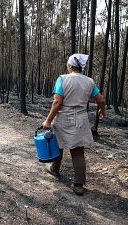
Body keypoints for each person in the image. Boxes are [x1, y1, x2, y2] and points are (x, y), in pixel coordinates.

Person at [42, 53, 106, 195]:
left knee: (58, 146)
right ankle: (78, 185)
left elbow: (57, 102)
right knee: (77, 152)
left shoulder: (62, 79)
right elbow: (100, 99)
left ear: (70, 66)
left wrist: (48, 120)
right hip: (81, 119)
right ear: (81, 67)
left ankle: (54, 169)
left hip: (64, 117)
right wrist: (102, 111)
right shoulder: (89, 81)